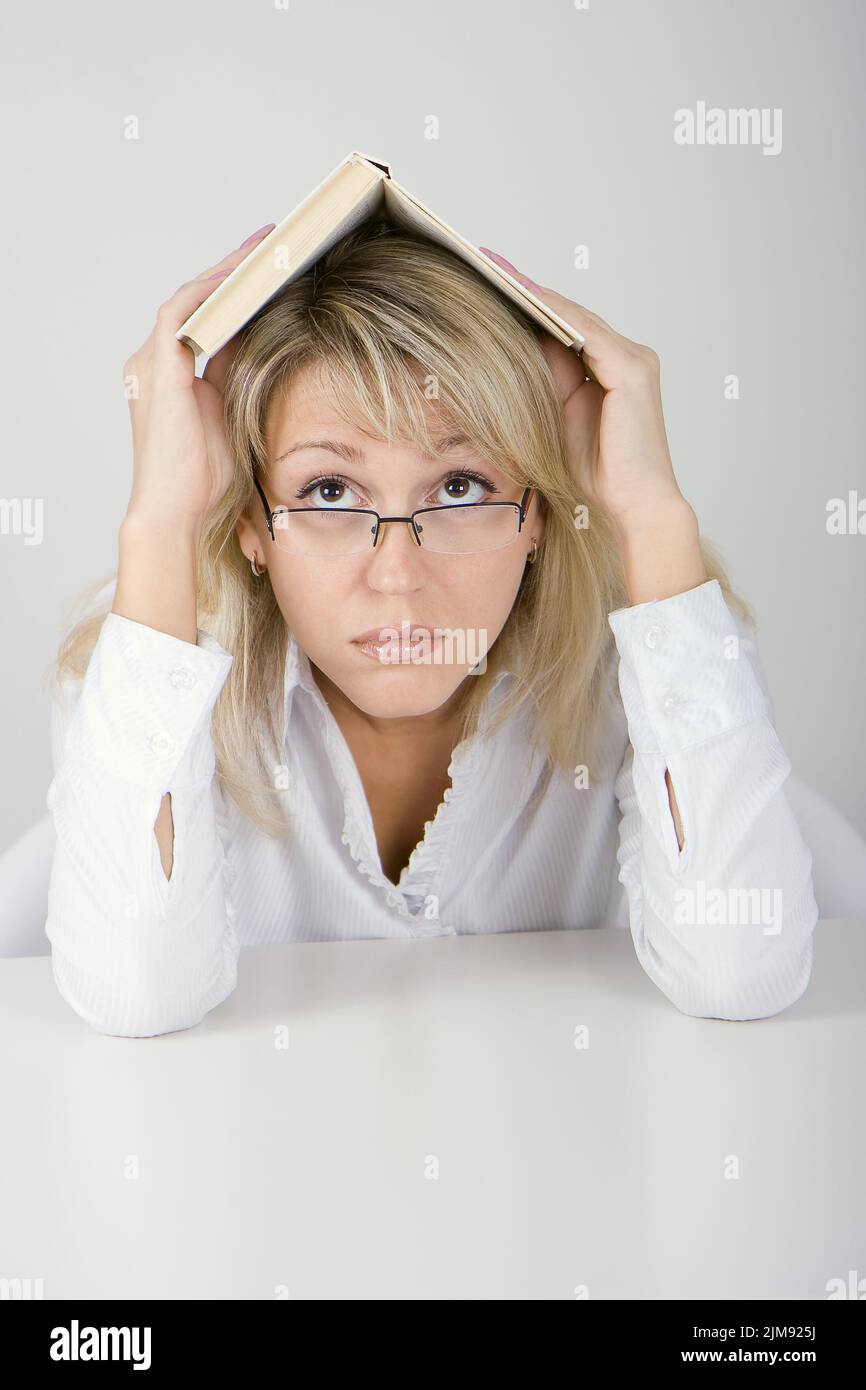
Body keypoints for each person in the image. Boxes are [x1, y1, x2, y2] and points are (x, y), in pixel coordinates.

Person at [44, 218, 817, 1037]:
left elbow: (746, 974)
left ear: (540, 516)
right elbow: (136, 996)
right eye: (330, 492)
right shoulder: (142, 667)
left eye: (458, 486)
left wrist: (655, 517)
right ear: (250, 523)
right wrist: (161, 524)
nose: (397, 575)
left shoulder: (655, 663)